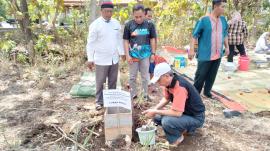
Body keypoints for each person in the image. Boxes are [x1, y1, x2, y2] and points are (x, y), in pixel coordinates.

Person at [143, 62, 205, 146]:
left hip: (196, 117)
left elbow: (177, 113)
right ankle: (184, 129)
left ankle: (178, 137)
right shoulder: (169, 83)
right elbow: (166, 98)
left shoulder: (180, 87)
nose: (158, 82)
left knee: (167, 121)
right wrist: (155, 110)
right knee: (157, 117)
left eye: (158, 80)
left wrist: (155, 111)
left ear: (167, 76)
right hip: (185, 113)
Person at [86, 1, 124, 110]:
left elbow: (119, 39)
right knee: (100, 81)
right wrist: (90, 58)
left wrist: (122, 53)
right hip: (101, 59)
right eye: (106, 11)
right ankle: (99, 101)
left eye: (110, 11)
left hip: (114, 58)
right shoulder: (95, 25)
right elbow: (91, 43)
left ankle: (111, 101)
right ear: (101, 11)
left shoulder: (116, 23)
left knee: (113, 81)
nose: (108, 14)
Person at [189, 0, 229, 99]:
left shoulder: (223, 20)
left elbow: (225, 34)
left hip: (218, 54)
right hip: (205, 54)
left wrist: (227, 47)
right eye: (222, 7)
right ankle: (195, 95)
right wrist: (191, 50)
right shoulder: (204, 20)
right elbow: (194, 36)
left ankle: (207, 92)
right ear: (215, 6)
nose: (224, 9)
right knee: (200, 76)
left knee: (212, 75)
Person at [123, 4, 157, 101]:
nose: (138, 19)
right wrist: (127, 55)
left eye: (140, 16)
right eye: (136, 17)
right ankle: (133, 94)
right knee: (133, 76)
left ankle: (145, 95)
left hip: (145, 55)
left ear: (144, 14)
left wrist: (153, 53)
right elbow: (125, 41)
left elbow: (152, 39)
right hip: (133, 55)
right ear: (133, 15)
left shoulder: (150, 25)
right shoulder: (129, 25)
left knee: (145, 76)